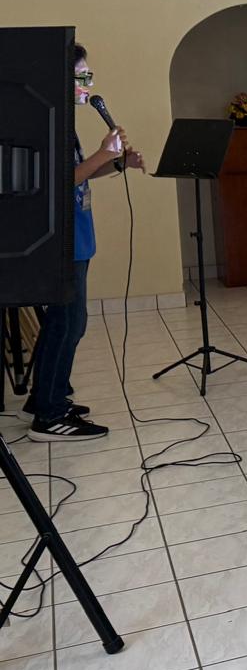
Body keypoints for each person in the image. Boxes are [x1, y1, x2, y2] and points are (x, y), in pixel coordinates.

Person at [28, 44, 146, 442]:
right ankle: (49, 415)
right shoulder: (46, 123)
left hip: (78, 235)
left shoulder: (65, 124)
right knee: (68, 324)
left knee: (64, 325)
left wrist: (115, 163)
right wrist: (101, 153)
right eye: (82, 76)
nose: (89, 83)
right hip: (62, 241)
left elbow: (79, 174)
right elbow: (56, 186)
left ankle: (48, 396)